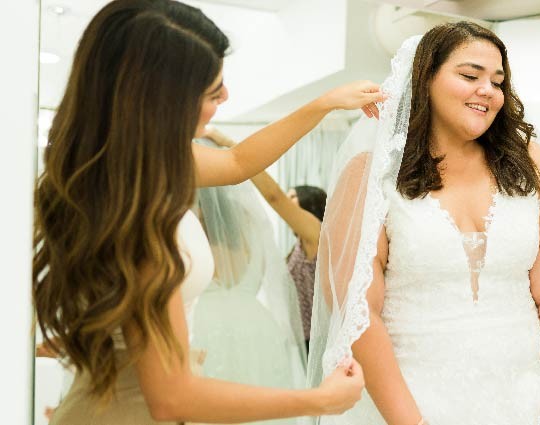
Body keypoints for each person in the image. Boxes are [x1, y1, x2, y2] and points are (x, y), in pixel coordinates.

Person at [32, 1, 383, 423]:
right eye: (212, 91)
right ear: (162, 100)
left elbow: (238, 165)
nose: (226, 97)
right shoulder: (140, 214)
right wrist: (319, 400)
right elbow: (172, 398)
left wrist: (322, 104)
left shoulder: (124, 167)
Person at [310, 22, 540, 425]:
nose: (487, 90)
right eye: (470, 76)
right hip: (411, 402)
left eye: (497, 81)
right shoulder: (370, 175)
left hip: (525, 401)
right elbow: (358, 308)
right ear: (426, 80)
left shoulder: (530, 165)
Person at [204, 129, 326, 351]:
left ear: (310, 206)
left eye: (293, 198)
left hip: (313, 342)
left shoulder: (316, 235)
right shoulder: (301, 246)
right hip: (299, 339)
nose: (287, 203)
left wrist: (236, 150)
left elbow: (274, 197)